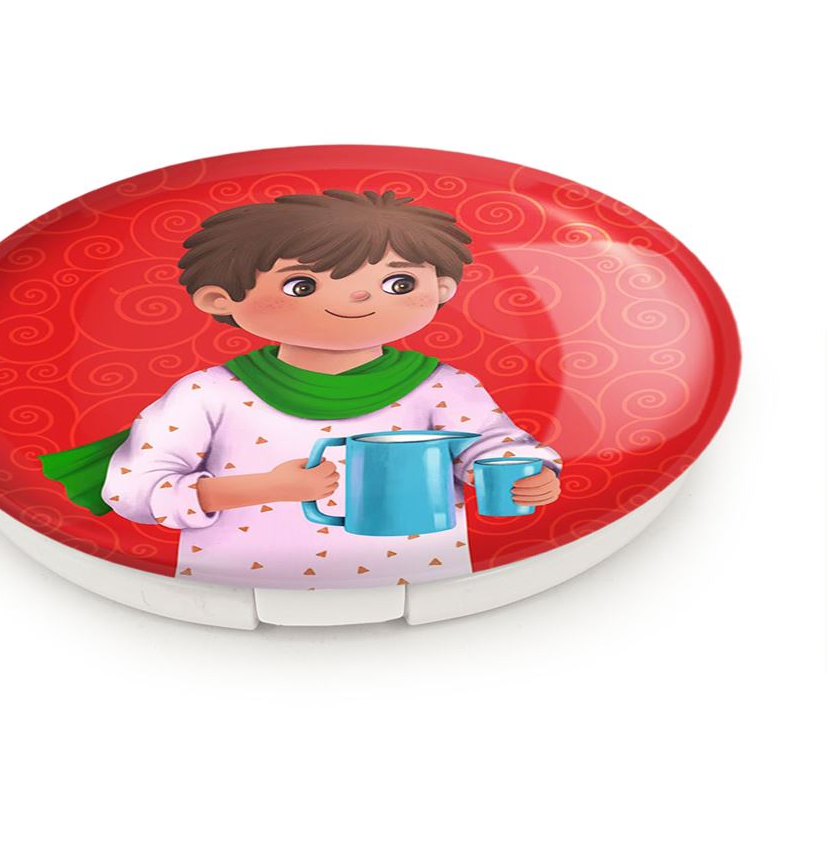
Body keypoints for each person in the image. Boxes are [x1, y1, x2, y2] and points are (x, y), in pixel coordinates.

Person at [42, 189, 562, 588]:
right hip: (230, 580)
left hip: (426, 575)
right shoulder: (210, 393)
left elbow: (490, 446)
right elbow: (133, 488)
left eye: (398, 283)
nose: (360, 297)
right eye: (302, 285)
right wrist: (261, 489)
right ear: (220, 299)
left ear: (441, 290)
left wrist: (528, 475)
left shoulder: (442, 385)